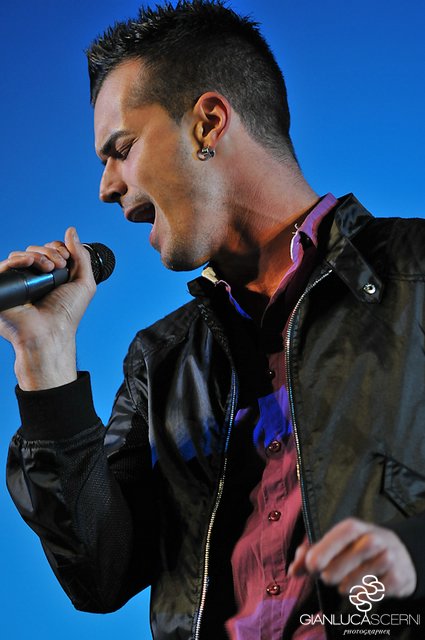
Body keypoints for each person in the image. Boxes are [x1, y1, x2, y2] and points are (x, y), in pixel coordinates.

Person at [2, 1, 424, 638]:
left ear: (208, 123)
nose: (106, 188)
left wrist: (413, 553)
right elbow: (99, 574)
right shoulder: (161, 360)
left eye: (121, 149)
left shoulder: (416, 277)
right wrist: (45, 359)